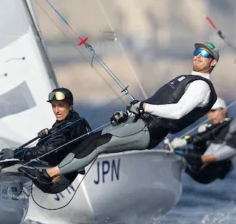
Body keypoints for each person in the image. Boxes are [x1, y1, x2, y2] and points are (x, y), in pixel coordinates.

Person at [20, 41, 220, 192]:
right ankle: (54, 175)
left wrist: (144, 106)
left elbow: (177, 112)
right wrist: (131, 112)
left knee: (99, 143)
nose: (198, 56)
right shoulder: (187, 78)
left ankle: (50, 174)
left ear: (213, 62)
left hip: (150, 130)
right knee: (90, 139)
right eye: (197, 52)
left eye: (204, 54)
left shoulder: (201, 86)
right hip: (140, 121)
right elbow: (155, 104)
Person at [0, 87, 92, 193]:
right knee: (11, 162)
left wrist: (16, 153)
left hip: (54, 181)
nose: (56, 110)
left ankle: (9, 192)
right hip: (53, 167)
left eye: (61, 106)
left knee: (13, 166)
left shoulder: (71, 127)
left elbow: (46, 151)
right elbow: (46, 149)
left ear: (70, 106)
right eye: (54, 106)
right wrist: (45, 137)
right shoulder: (67, 122)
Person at [169, 98, 236, 184]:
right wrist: (190, 138)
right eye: (209, 112)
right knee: (179, 153)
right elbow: (200, 136)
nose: (211, 115)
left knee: (183, 152)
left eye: (214, 111)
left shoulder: (230, 123)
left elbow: (211, 132)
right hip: (201, 172)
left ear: (224, 111)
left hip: (219, 167)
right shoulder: (208, 128)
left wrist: (185, 141)